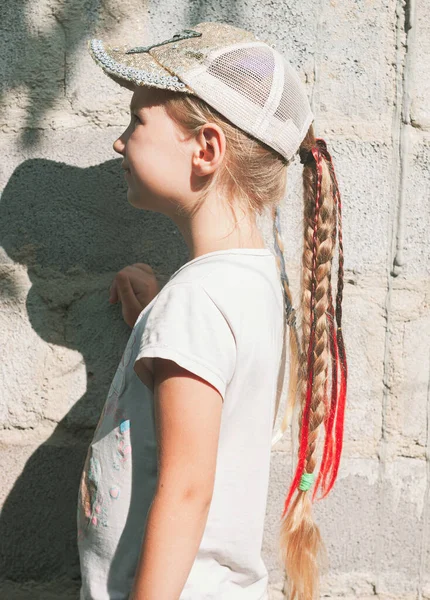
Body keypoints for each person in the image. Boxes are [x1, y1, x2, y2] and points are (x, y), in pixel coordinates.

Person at [77, 21, 348, 600]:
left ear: (205, 149)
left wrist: (169, 315)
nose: (119, 142)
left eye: (137, 121)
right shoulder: (248, 287)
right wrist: (155, 319)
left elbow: (186, 489)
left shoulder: (195, 305)